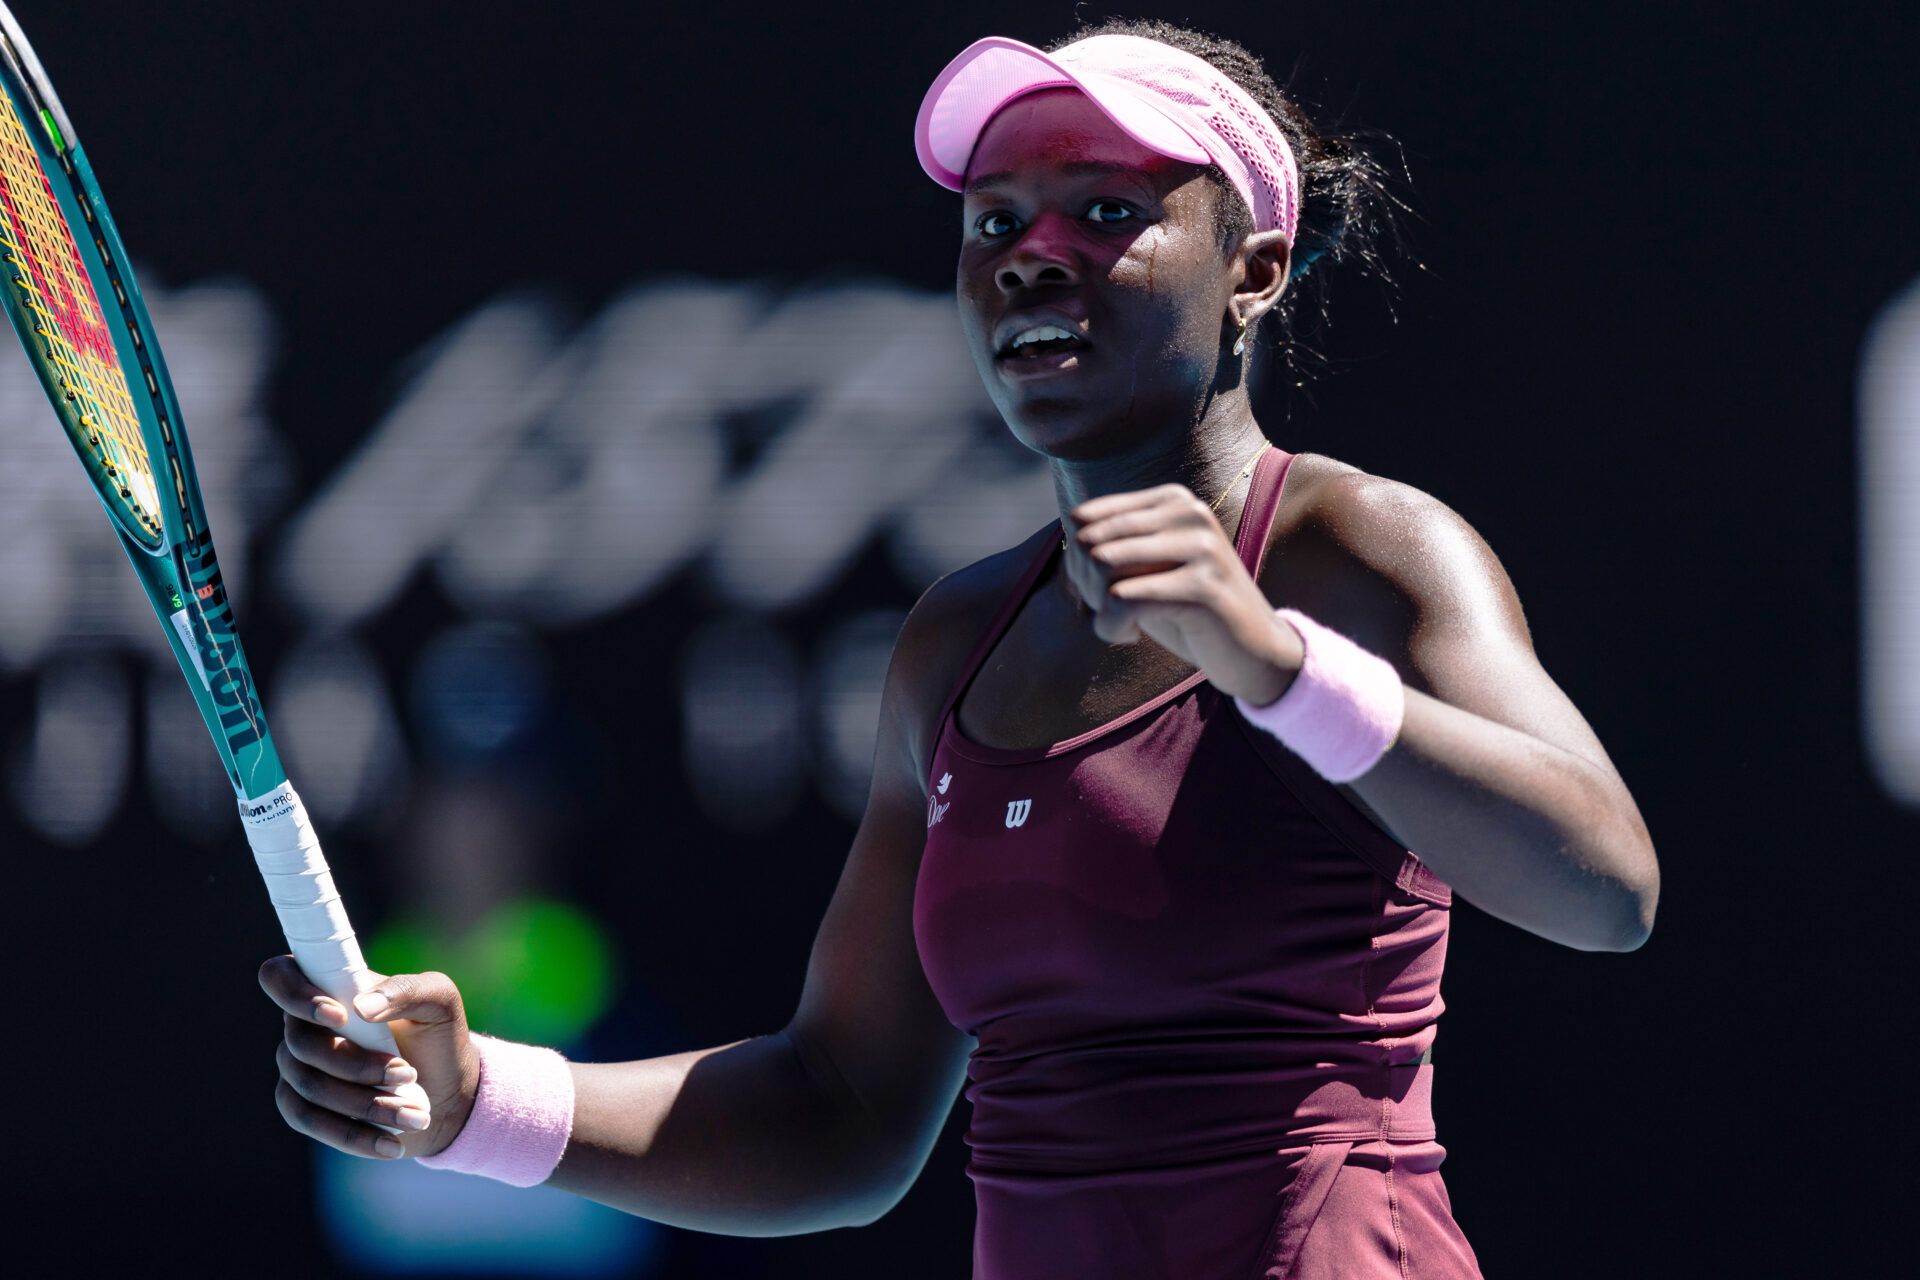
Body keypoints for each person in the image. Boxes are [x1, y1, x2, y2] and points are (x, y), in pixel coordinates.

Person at [260, 19, 1659, 1279]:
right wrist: (478, 1109)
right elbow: (843, 1111)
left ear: (1255, 270)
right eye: (995, 222)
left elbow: (1605, 886)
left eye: (1106, 212)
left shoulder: (1363, 551)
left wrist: (1278, 671)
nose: (1030, 255)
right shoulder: (955, 647)